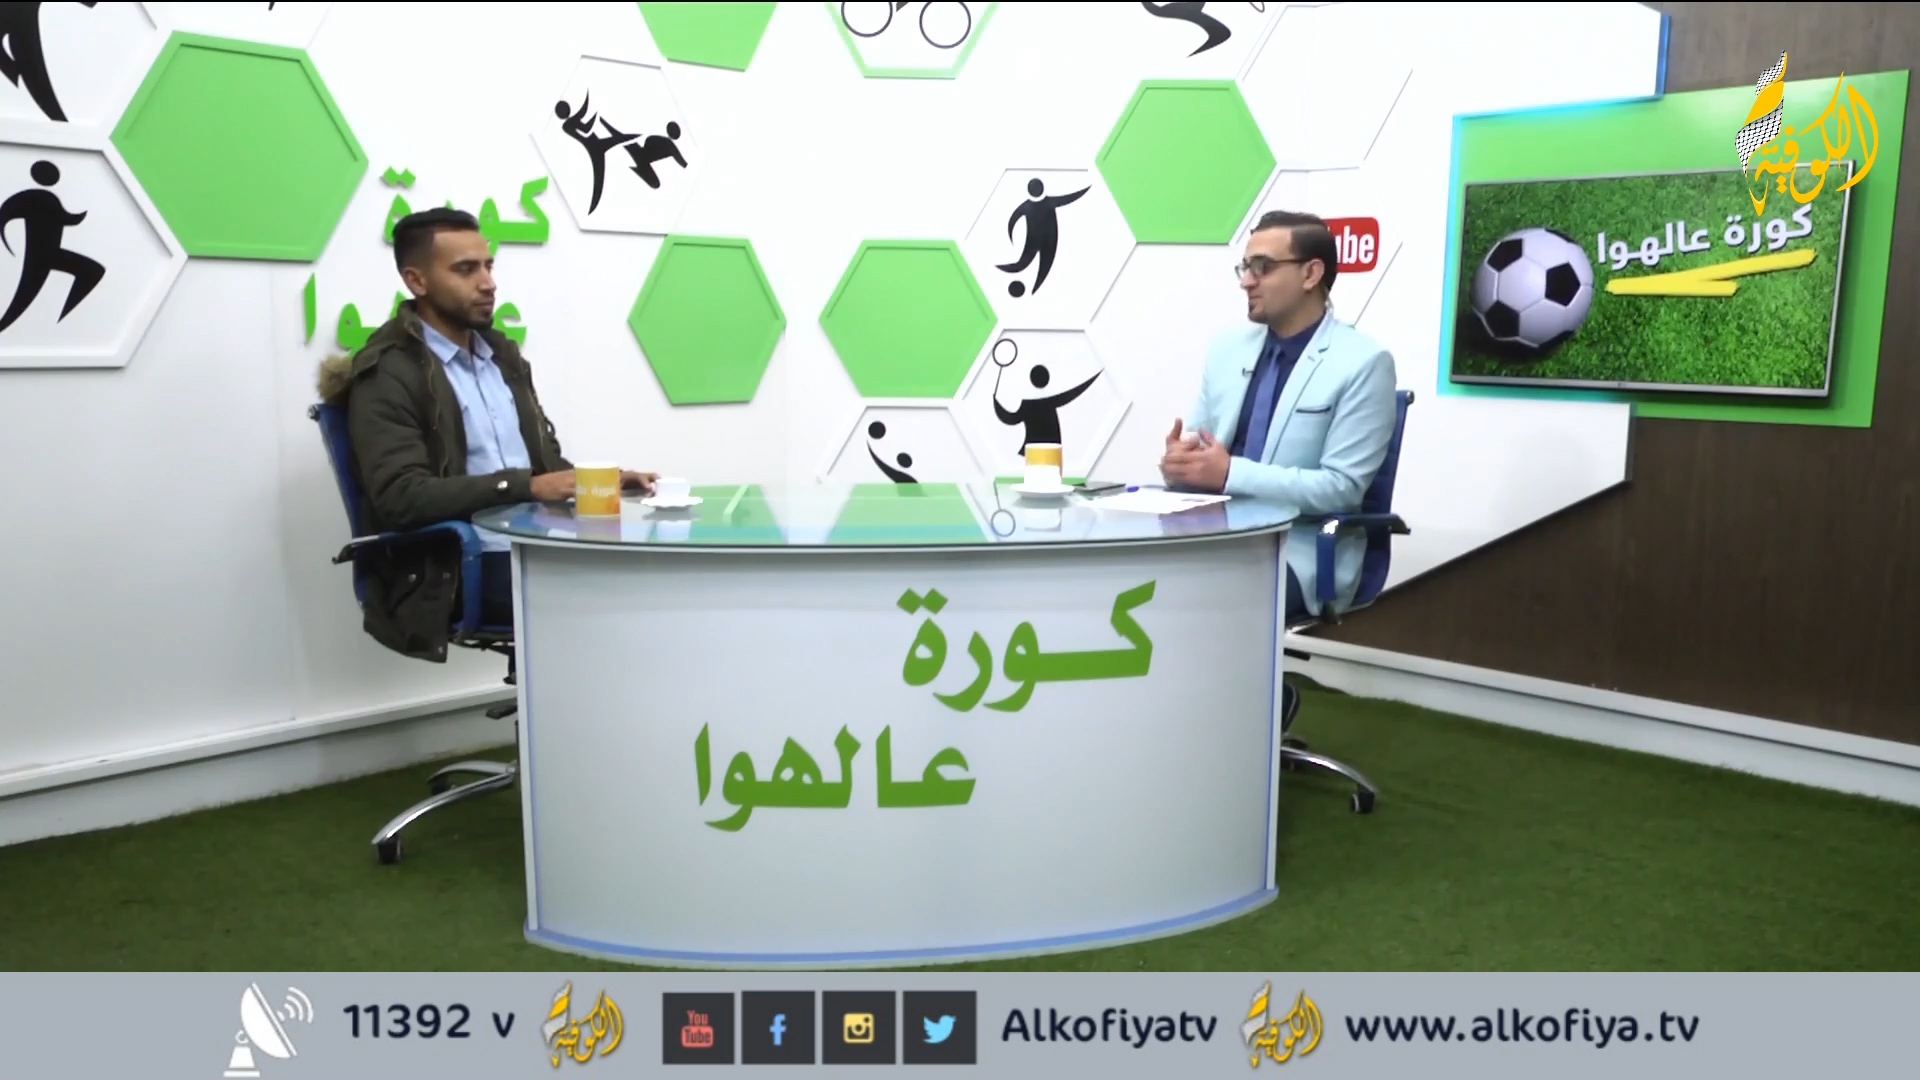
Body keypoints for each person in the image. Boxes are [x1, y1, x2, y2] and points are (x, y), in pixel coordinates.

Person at [316, 207, 656, 661]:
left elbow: (544, 468)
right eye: (466, 269)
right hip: (456, 568)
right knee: (632, 591)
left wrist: (602, 480)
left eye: (488, 266)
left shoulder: (501, 355)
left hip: (535, 546)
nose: (488, 283)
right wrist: (526, 486)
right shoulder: (388, 372)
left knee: (658, 564)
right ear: (416, 281)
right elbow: (400, 497)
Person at [1159, 209, 1398, 627]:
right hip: (1212, 534)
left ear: (1310, 274)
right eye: (1245, 267)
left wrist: (1229, 473)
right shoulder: (1227, 349)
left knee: (1198, 598)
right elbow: (1199, 447)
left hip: (1297, 548)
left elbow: (1340, 489)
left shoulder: (1363, 363)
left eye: (1262, 267)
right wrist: (1181, 464)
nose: (1246, 281)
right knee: (1128, 573)